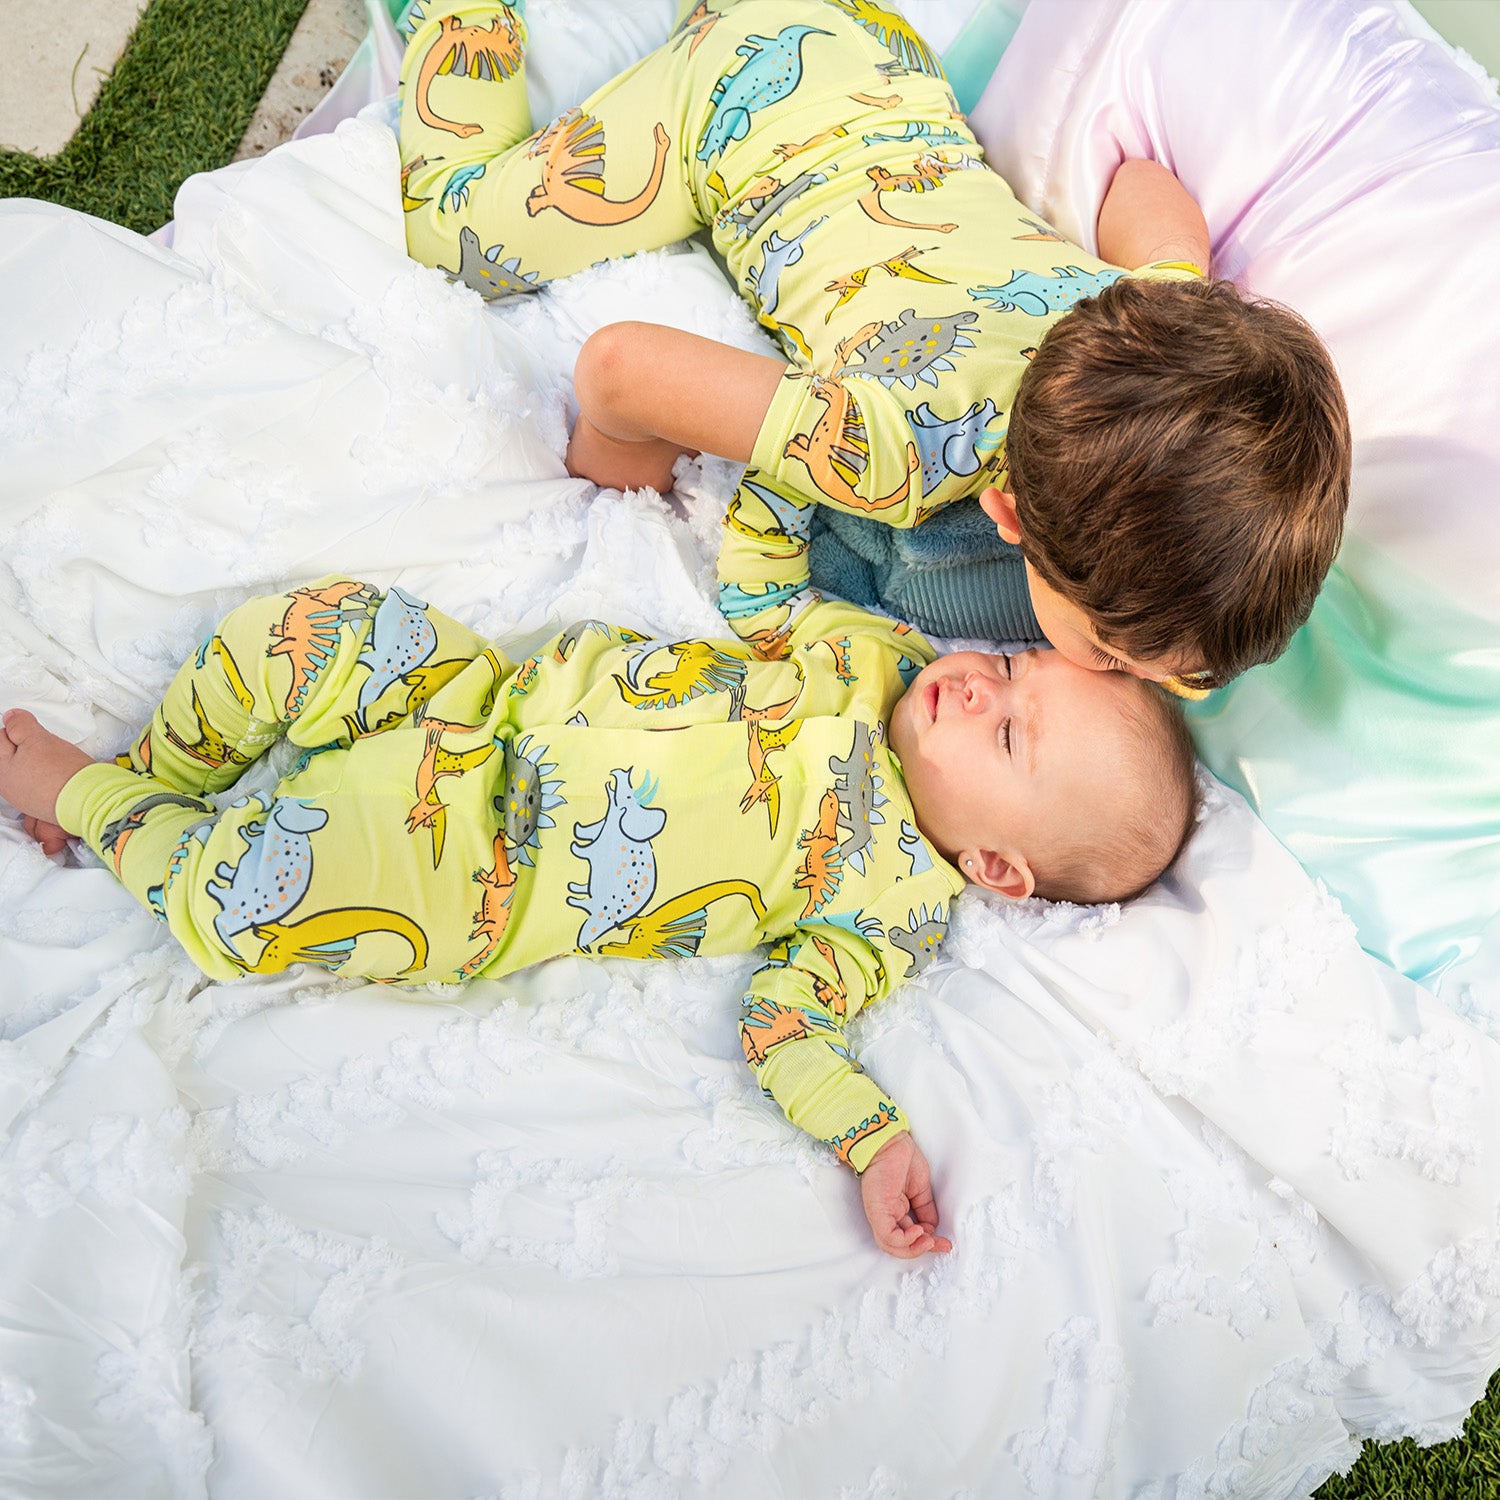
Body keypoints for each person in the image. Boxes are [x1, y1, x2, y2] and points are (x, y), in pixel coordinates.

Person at [0, 479, 1197, 1261]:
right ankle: (166, 766)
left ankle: (88, 802)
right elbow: (770, 595)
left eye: (1005, 735)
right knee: (305, 628)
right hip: (482, 695)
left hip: (478, 870)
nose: (983, 684)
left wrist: (874, 1138)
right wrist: (756, 491)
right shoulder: (878, 656)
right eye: (1017, 673)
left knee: (239, 907)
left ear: (994, 864)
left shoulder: (889, 909)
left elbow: (789, 1026)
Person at [396, 0, 1351, 687]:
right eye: (1110, 653)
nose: (1137, 680)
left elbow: (1143, 181)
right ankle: (461, 19)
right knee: (455, 233)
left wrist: (1180, 269)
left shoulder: (1138, 320)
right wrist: (623, 472)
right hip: (733, 99)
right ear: (1009, 513)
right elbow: (619, 367)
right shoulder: (891, 452)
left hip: (880, 56)